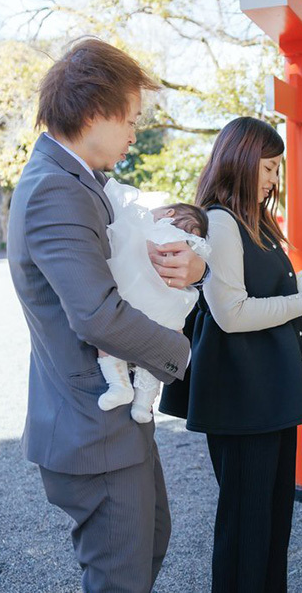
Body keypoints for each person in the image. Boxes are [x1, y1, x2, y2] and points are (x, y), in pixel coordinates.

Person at [7, 37, 205, 593]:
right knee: (123, 575)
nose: (134, 134)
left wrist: (181, 265)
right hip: (89, 425)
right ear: (95, 111)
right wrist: (187, 353)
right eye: (131, 119)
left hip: (104, 421)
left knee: (149, 544)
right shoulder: (56, 189)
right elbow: (96, 314)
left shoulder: (76, 180)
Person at [160, 116, 302, 593]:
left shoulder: (255, 220)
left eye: (276, 169)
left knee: (271, 520)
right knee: (247, 525)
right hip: (241, 397)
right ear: (241, 162)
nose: (273, 179)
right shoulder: (221, 222)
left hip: (267, 393)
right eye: (268, 167)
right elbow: (232, 313)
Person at [97, 181, 210, 423]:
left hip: (133, 295)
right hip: (168, 308)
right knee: (161, 346)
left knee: (105, 338)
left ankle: (118, 385)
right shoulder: (187, 246)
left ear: (168, 213)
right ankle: (143, 403)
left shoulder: (148, 226)